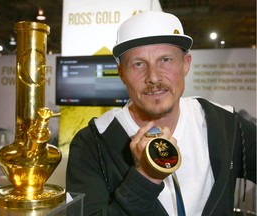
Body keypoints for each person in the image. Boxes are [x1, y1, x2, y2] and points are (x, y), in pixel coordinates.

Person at [66, 11, 256, 216]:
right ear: (122, 74)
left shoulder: (225, 123)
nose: (153, 77)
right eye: (138, 64)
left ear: (186, 64)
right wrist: (145, 179)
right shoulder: (93, 143)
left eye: (165, 60)